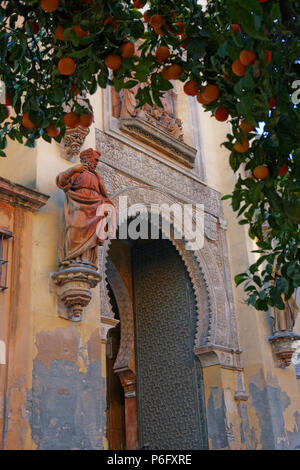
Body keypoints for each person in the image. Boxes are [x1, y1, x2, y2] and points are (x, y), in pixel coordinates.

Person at [56, 148, 116, 269]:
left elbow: (104, 195)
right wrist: (72, 170)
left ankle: (86, 260)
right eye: (95, 160)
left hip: (95, 210)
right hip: (78, 206)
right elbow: (62, 181)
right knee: (74, 229)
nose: (96, 163)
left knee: (91, 237)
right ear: (87, 158)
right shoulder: (78, 172)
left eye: (98, 161)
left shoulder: (96, 177)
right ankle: (71, 258)